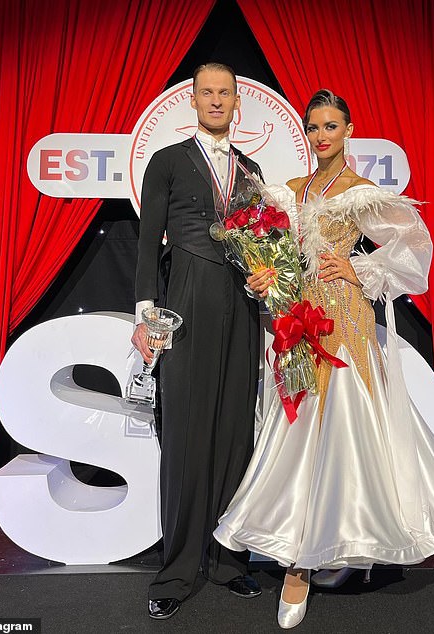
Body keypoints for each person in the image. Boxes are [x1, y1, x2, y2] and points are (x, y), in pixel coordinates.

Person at [213, 89, 434, 629]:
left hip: (345, 321)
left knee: (344, 434)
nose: (322, 136)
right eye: (314, 127)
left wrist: (361, 272)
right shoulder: (289, 191)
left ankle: (315, 556)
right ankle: (303, 552)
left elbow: (415, 251)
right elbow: (274, 253)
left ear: (348, 130)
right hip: (295, 321)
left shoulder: (361, 192)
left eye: (331, 126)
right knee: (298, 437)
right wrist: (266, 277)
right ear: (307, 133)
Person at [132, 63, 263, 620]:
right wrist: (144, 315)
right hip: (186, 298)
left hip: (243, 308)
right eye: (206, 92)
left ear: (237, 102)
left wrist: (267, 279)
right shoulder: (167, 161)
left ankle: (229, 560)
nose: (216, 100)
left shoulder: (252, 170)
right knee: (185, 434)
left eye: (224, 93)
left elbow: (264, 245)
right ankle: (179, 568)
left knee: (235, 431)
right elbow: (146, 245)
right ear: (192, 100)